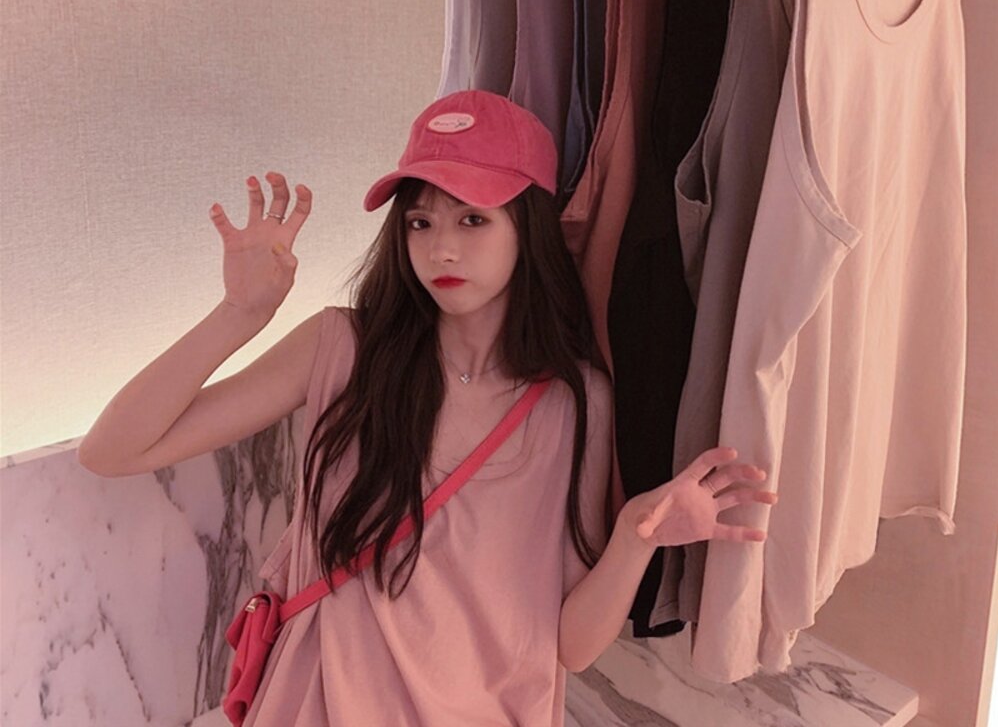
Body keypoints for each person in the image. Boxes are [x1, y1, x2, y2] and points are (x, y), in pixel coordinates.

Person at [78, 89, 776, 726]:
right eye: (420, 221)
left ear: (526, 229)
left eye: (473, 219)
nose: (441, 247)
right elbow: (113, 450)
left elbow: (571, 646)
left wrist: (637, 536)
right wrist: (239, 314)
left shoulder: (572, 402)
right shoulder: (342, 348)